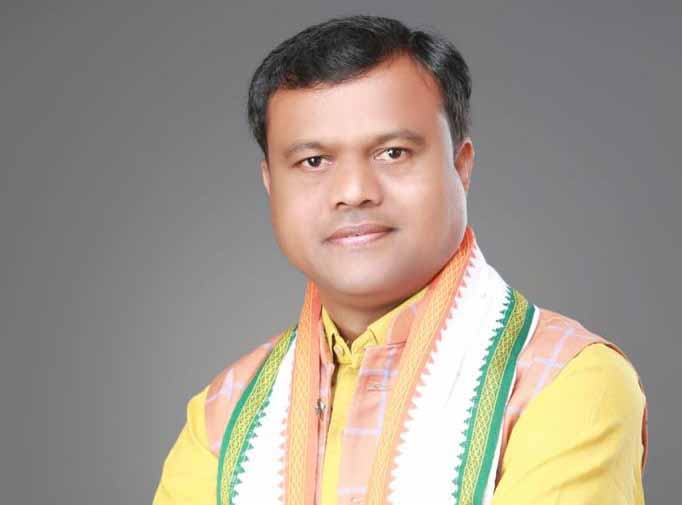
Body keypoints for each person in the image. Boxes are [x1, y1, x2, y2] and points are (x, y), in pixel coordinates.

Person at [152, 15, 648, 505]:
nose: (353, 191)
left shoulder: (566, 382)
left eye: (392, 153)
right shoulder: (225, 414)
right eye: (313, 161)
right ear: (270, 183)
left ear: (461, 165)